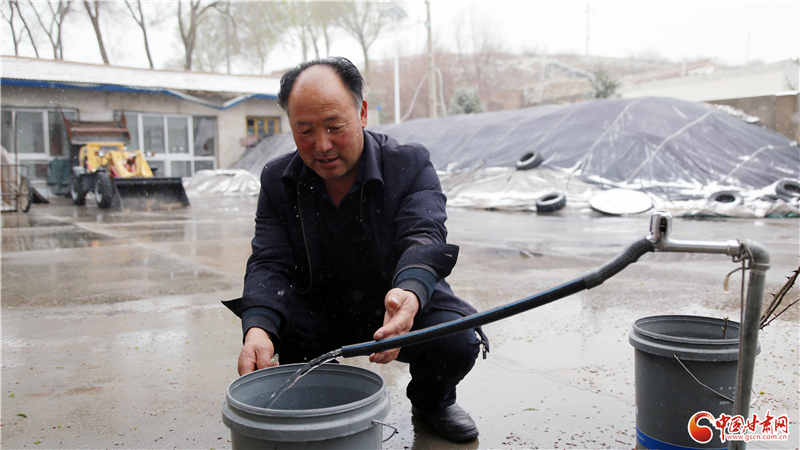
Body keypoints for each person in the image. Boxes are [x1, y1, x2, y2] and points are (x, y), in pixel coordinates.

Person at [223, 57, 486, 443]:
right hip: (315, 312)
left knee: (456, 339)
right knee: (276, 333)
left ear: (361, 113)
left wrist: (410, 292)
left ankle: (433, 402)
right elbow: (269, 258)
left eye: (334, 126)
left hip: (390, 301)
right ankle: (308, 404)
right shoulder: (278, 179)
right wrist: (258, 328)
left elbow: (424, 234)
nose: (322, 145)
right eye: (305, 130)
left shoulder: (409, 164)